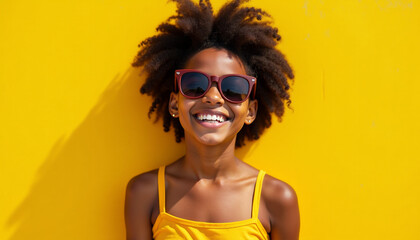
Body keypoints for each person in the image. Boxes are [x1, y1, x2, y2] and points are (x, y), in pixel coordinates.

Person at [125, 0, 300, 239]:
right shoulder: (145, 193)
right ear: (175, 103)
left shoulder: (277, 199)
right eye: (195, 84)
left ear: (250, 111)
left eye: (233, 88)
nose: (213, 97)